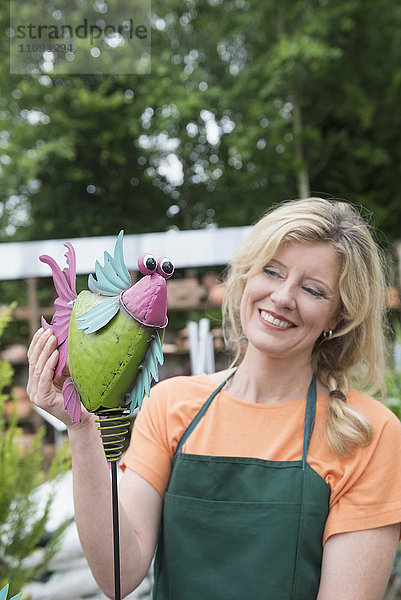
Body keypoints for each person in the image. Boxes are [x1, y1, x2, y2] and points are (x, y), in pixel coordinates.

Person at [27, 197, 401, 600]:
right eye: (272, 272)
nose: (282, 296)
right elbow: (119, 575)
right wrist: (82, 429)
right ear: (246, 276)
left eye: (312, 289)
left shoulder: (368, 434)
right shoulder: (171, 405)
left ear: (339, 317)